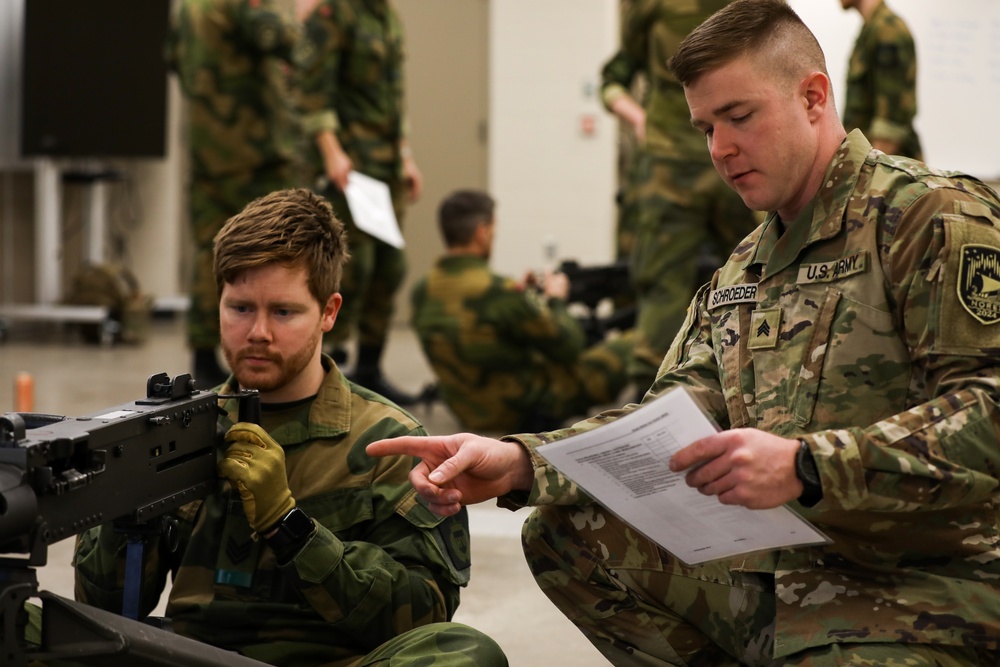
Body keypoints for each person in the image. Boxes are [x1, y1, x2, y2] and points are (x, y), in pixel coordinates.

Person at [367, 1, 1000, 664]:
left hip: (924, 587)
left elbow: (989, 407)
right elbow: (664, 421)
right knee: (565, 534)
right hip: (789, 574)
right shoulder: (743, 266)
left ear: (814, 97)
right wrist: (524, 459)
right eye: (705, 127)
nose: (720, 149)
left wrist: (807, 466)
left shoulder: (928, 216)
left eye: (739, 116)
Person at [73, 189, 507, 666]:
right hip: (190, 656)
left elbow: (423, 616)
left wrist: (290, 527)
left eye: (283, 312)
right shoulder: (177, 431)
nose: (258, 332)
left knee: (468, 654)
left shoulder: (388, 441)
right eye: (240, 308)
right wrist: (126, 509)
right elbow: (103, 615)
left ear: (329, 312)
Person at [599, 0, 759, 398]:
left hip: (740, 159)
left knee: (761, 273)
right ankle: (650, 406)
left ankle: (760, 389)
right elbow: (614, 75)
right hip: (670, 165)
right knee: (663, 287)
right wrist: (639, 119)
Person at [411, 190, 633, 434]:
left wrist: (525, 300)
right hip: (520, 411)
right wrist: (556, 300)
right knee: (633, 344)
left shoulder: (423, 289)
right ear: (482, 232)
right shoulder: (501, 291)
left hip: (470, 411)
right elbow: (570, 346)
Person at [167, 0, 306, 388]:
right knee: (276, 245)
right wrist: (295, 17)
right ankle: (274, 344)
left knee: (208, 247)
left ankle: (202, 352)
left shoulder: (188, 7)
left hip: (207, 145)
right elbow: (276, 35)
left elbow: (173, 58)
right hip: (253, 147)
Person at [298, 0, 423, 406]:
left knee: (390, 266)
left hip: (384, 169)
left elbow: (396, 97)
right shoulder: (334, 13)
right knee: (352, 270)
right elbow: (313, 91)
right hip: (349, 169)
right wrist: (331, 150)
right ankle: (330, 368)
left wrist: (404, 155)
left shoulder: (386, 16)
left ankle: (369, 369)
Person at [840, 0, 922, 159]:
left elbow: (891, 124)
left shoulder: (888, 29)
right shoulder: (871, 29)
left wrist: (867, 174)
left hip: (887, 171)